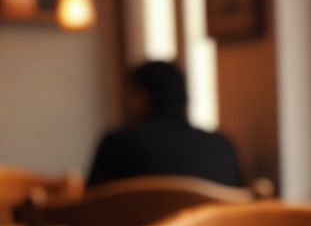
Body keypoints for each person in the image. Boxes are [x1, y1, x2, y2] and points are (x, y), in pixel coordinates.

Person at [86, 61, 243, 188]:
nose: (122, 103)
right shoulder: (221, 146)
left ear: (142, 97)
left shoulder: (117, 145)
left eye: (128, 95)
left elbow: (90, 208)